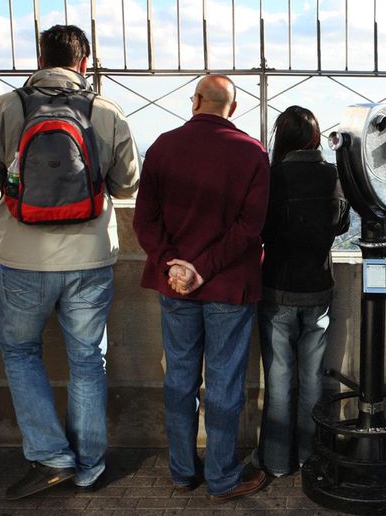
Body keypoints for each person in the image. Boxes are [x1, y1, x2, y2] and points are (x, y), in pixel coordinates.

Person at [0, 25, 140, 499]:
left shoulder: (8, 106)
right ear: (84, 62)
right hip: (89, 257)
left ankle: (51, 455)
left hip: (23, 256)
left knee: (21, 353)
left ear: (40, 58)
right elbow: (127, 185)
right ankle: (88, 467)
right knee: (88, 360)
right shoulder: (105, 110)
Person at [132, 74, 270, 502]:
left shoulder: (162, 146)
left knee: (179, 380)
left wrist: (175, 266)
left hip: (176, 288)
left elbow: (144, 221)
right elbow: (251, 228)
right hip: (228, 287)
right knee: (225, 384)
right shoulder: (252, 153)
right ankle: (224, 478)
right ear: (233, 107)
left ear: (195, 102)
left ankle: (181, 471)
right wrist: (202, 268)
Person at [252, 106, 350, 477]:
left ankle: (276, 463)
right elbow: (341, 224)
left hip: (277, 287)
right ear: (315, 137)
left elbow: (259, 228)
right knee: (312, 380)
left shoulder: (272, 176)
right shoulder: (330, 174)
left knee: (279, 379)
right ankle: (309, 456)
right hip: (318, 288)